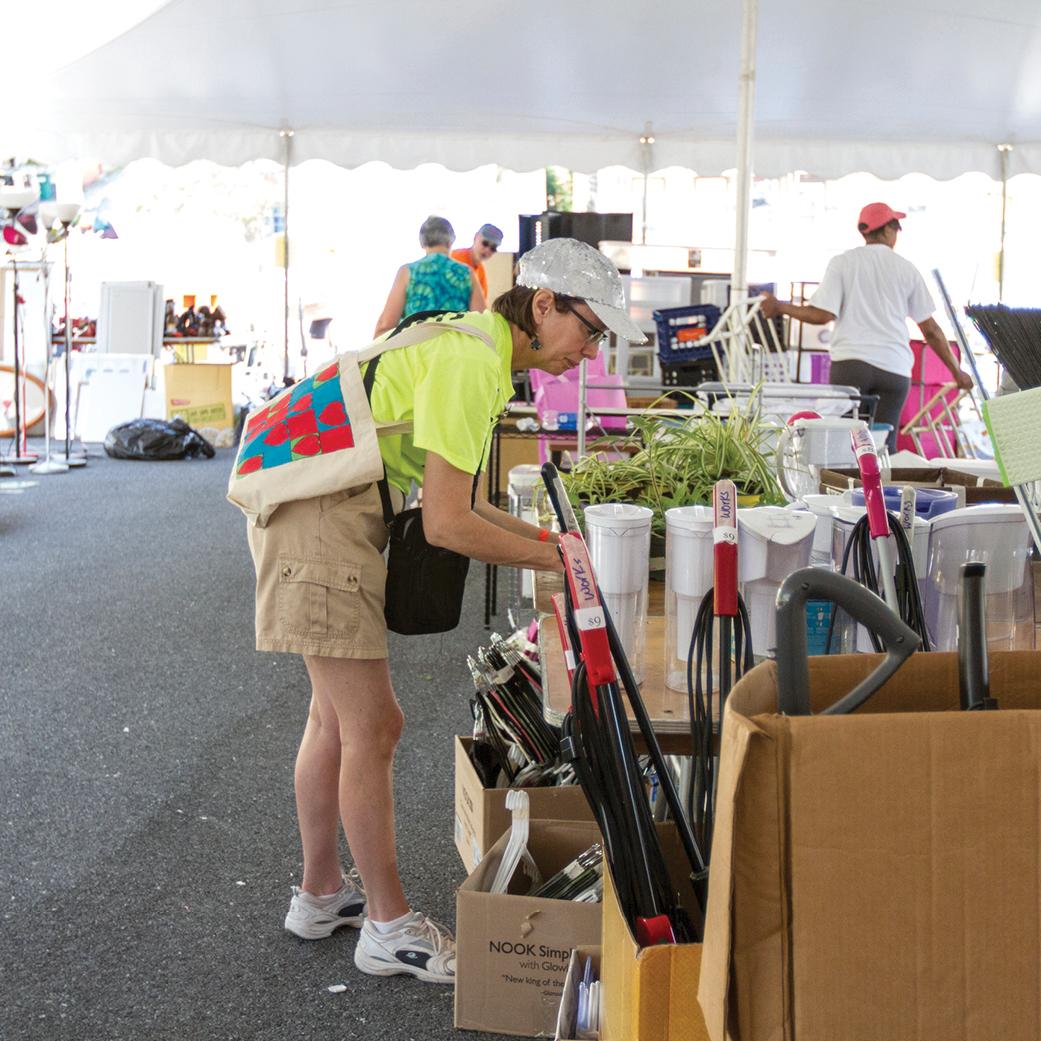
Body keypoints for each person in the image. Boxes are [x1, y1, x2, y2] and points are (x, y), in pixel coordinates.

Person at [247, 238, 646, 986]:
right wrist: (556, 560)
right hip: (318, 515)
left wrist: (554, 540)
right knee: (373, 724)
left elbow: (457, 496)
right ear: (544, 304)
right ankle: (389, 928)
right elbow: (446, 526)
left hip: (315, 498)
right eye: (589, 330)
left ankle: (321, 893)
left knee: (333, 720)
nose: (590, 353)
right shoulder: (473, 362)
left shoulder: (473, 344)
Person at [761, 202, 973, 449]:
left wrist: (780, 307)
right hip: (894, 369)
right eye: (896, 228)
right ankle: (882, 485)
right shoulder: (907, 269)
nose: (897, 235)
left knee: (843, 444)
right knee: (883, 447)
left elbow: (821, 315)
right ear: (885, 231)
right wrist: (957, 372)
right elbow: (931, 331)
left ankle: (845, 485)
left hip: (851, 367)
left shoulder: (843, 263)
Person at [373, 215, 485, 335]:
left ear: (422, 242)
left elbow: (386, 324)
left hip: (416, 350)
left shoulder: (408, 272)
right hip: (455, 350)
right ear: (450, 241)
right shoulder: (467, 273)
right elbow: (482, 322)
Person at [451, 222, 503, 299]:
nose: (487, 250)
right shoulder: (455, 258)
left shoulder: (480, 271)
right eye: (485, 243)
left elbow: (481, 305)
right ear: (475, 237)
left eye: (493, 248)